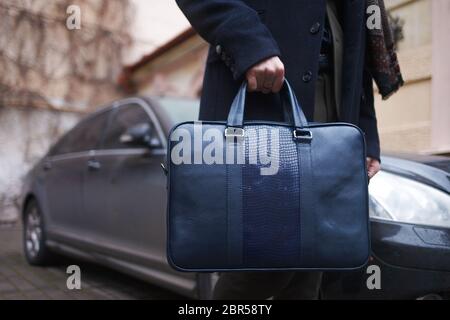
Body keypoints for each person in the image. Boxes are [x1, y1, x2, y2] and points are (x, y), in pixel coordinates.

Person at [175, 0, 403, 300]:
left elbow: (356, 42)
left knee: (312, 264)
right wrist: (250, 42)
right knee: (264, 264)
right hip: (263, 94)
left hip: (333, 116)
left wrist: (365, 132)